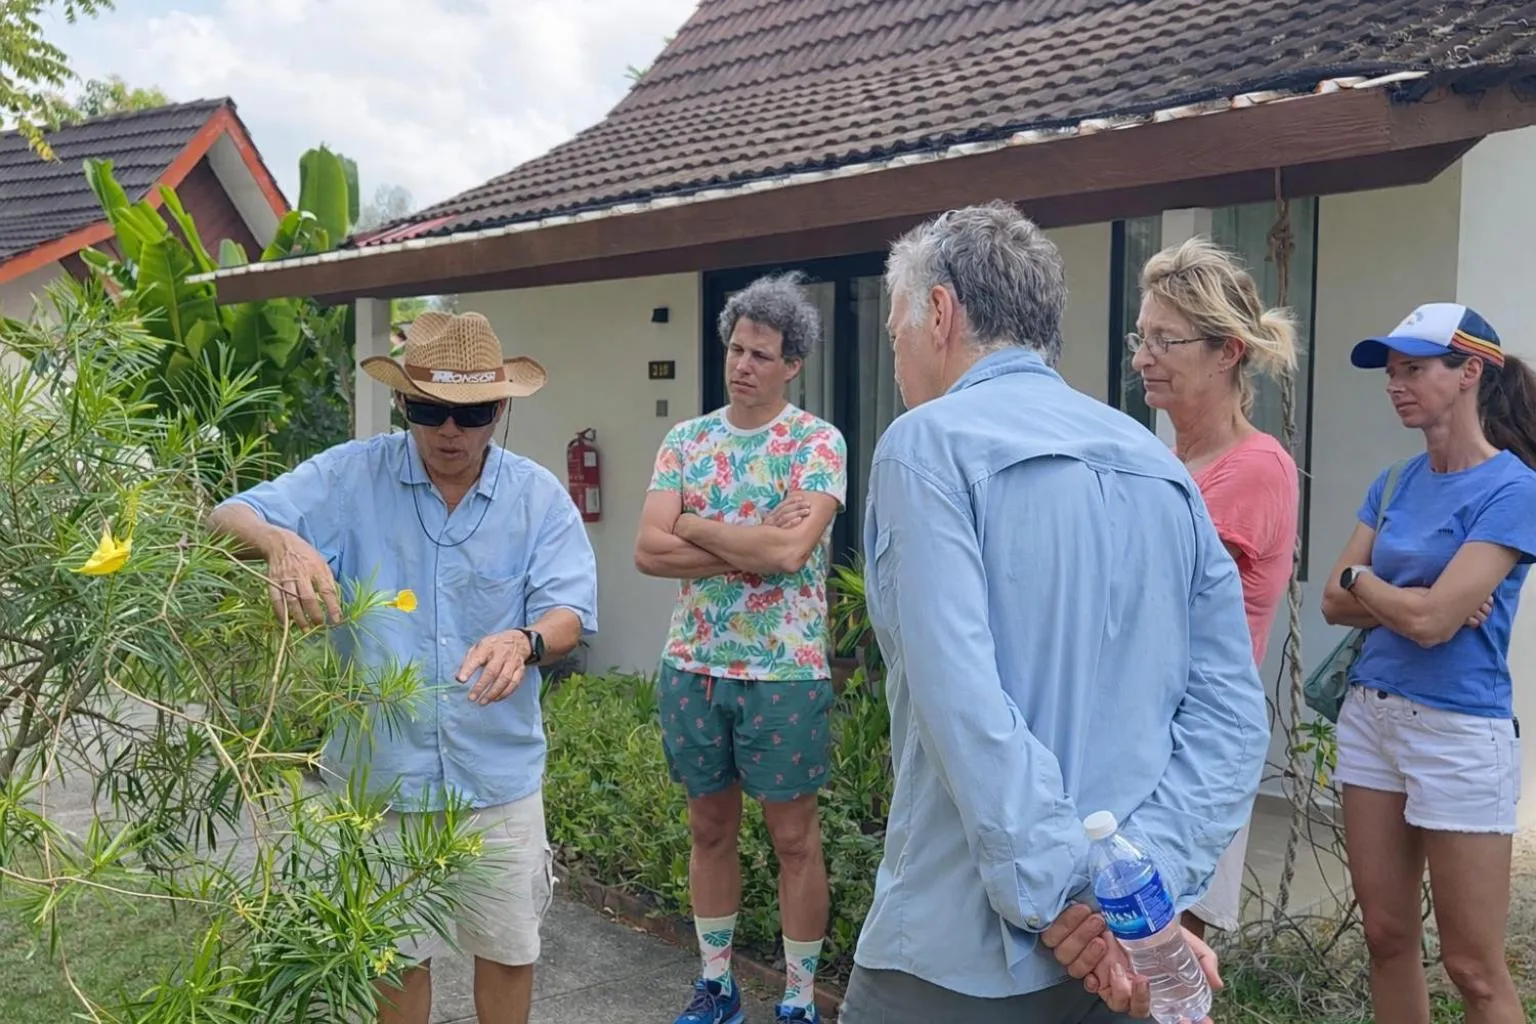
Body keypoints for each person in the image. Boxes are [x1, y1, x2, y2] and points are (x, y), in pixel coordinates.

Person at [837, 201, 1265, 1024]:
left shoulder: (926, 446)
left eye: (894, 335)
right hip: (1124, 960)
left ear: (939, 313)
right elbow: (1232, 716)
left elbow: (964, 706)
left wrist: (1073, 901)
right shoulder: (1161, 466)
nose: (896, 366)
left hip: (959, 954)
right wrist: (1136, 897)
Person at [206, 311, 599, 1024]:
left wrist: (524, 640)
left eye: (471, 413)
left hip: (497, 780)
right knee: (392, 960)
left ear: (500, 409)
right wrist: (276, 542)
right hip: (378, 780)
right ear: (403, 402)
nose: (449, 432)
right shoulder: (350, 476)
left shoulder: (537, 496)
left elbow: (568, 610)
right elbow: (224, 514)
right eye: (429, 410)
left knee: (508, 953)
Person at [635, 271, 848, 1024]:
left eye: (761, 354)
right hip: (692, 663)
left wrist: (694, 524)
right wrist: (747, 543)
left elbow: (791, 556)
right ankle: (717, 984)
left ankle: (796, 999)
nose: (742, 365)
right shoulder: (686, 440)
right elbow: (646, 551)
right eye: (735, 348)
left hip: (783, 670)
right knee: (708, 828)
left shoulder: (817, 442)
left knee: (794, 838)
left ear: (793, 364)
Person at [1321, 302, 1536, 1024]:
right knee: (1385, 936)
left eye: (1413, 368)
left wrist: (1378, 588)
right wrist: (1394, 594)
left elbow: (1433, 623)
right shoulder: (1395, 482)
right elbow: (1332, 597)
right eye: (1391, 372)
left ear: (1471, 371)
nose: (1395, 385)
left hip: (1458, 734)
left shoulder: (1513, 489)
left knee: (1473, 968)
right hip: (1371, 718)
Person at [1129, 237, 1301, 939]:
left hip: (1193, 747)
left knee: (1169, 964)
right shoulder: (1166, 461)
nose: (1143, 358)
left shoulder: (1255, 468)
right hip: (1145, 734)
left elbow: (1157, 611)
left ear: (1227, 350)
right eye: (1140, 339)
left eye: (1166, 341)